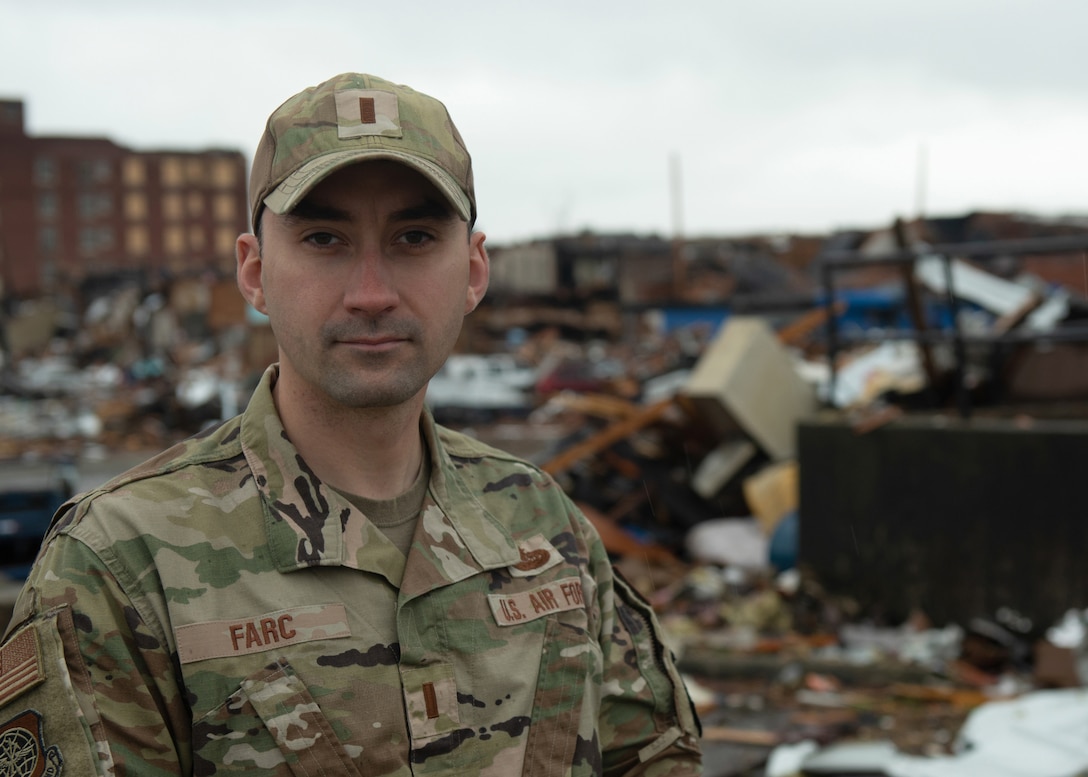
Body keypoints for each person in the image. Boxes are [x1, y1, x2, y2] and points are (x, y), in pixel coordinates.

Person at [0, 72, 702, 776]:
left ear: (474, 269)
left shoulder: (545, 527)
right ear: (253, 271)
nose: (371, 293)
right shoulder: (119, 565)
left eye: (416, 236)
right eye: (324, 237)